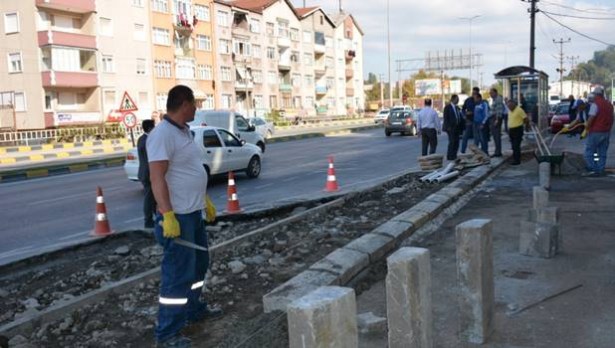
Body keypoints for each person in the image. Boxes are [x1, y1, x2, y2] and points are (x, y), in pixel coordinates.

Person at [147, 85, 222, 348]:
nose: (197, 108)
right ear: (184, 104)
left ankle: (193, 309)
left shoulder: (184, 131)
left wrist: (204, 198)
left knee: (199, 265)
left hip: (193, 213)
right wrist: (167, 215)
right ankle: (167, 335)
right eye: (194, 103)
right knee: (178, 275)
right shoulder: (162, 135)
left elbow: (187, 170)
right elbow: (156, 178)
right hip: (177, 217)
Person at [583, 86, 614, 177]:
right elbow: (612, 118)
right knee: (602, 152)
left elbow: (591, 118)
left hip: (595, 131)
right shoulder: (609, 104)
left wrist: (586, 129)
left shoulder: (595, 104)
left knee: (589, 151)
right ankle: (601, 169)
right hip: (606, 132)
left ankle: (593, 169)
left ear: (596, 95)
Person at [138, 119, 156, 229]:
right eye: (153, 127)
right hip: (148, 174)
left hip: (145, 172)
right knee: (149, 198)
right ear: (150, 128)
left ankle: (157, 218)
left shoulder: (142, 139)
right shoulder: (148, 140)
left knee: (153, 198)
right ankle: (148, 222)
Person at [506, 99, 529, 165]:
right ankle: (515, 158)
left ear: (514, 104)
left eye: (510, 106)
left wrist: (526, 127)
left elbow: (525, 119)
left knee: (516, 145)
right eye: (508, 106)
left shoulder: (519, 110)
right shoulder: (510, 111)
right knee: (513, 146)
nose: (509, 108)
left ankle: (517, 160)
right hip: (511, 130)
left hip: (518, 129)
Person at [442, 94, 464, 160]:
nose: (458, 101)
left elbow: (459, 116)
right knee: (452, 141)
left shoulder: (457, 108)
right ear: (453, 99)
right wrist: (448, 126)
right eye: (457, 99)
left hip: (457, 127)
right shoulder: (448, 107)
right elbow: (445, 118)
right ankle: (450, 156)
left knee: (456, 142)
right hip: (450, 128)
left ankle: (454, 155)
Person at [461, 87, 480, 153]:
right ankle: (462, 151)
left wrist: (473, 112)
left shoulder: (479, 101)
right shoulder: (468, 100)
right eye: (473, 93)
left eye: (475, 93)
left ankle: (475, 151)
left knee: (476, 137)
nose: (473, 94)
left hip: (476, 121)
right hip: (469, 121)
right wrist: (464, 115)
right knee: (465, 137)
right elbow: (463, 109)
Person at [489, 88, 504, 157]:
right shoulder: (494, 99)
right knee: (495, 136)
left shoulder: (498, 99)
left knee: (497, 136)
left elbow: (499, 110)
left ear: (495, 92)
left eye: (491, 93)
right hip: (494, 118)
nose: (490, 94)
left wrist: (497, 120)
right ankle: (497, 151)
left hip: (496, 118)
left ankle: (498, 152)